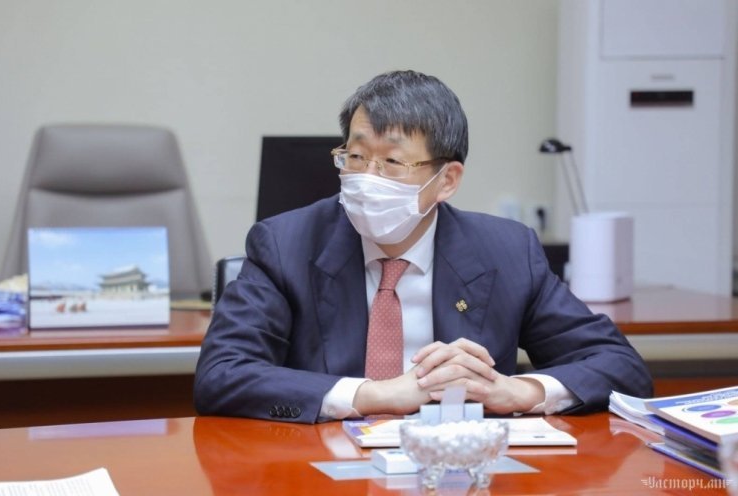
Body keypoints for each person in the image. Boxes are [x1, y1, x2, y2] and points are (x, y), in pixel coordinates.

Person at [194, 70, 652, 423]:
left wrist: (516, 391)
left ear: (446, 180)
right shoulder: (285, 244)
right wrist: (375, 395)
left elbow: (621, 367)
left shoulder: (507, 251)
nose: (366, 178)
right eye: (355, 156)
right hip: (319, 466)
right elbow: (221, 375)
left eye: (392, 161)